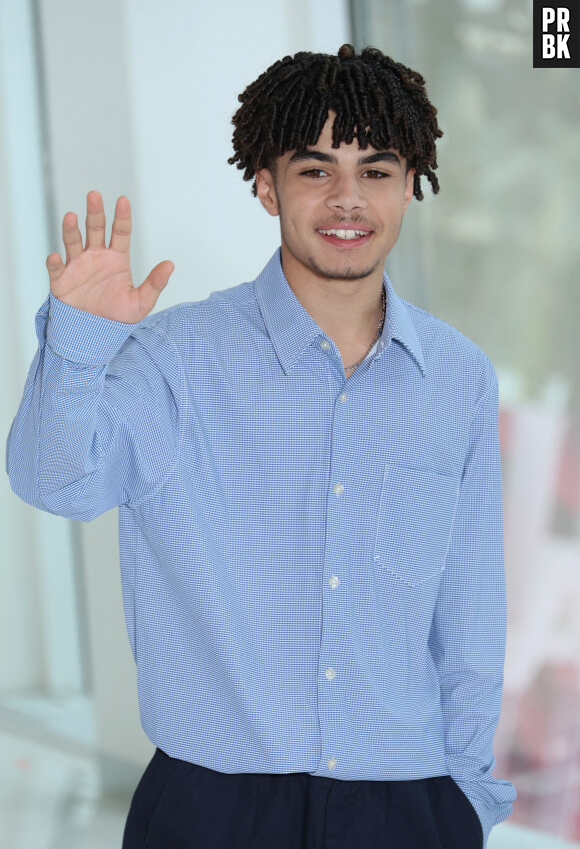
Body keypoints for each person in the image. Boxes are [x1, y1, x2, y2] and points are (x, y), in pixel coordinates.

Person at [6, 44, 516, 848]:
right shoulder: (175, 357)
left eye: (377, 170)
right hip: (213, 813)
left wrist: (468, 802)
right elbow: (54, 482)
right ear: (266, 184)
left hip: (409, 807)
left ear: (411, 185)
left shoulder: (457, 377)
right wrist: (79, 346)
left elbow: (471, 608)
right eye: (316, 170)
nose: (348, 199)